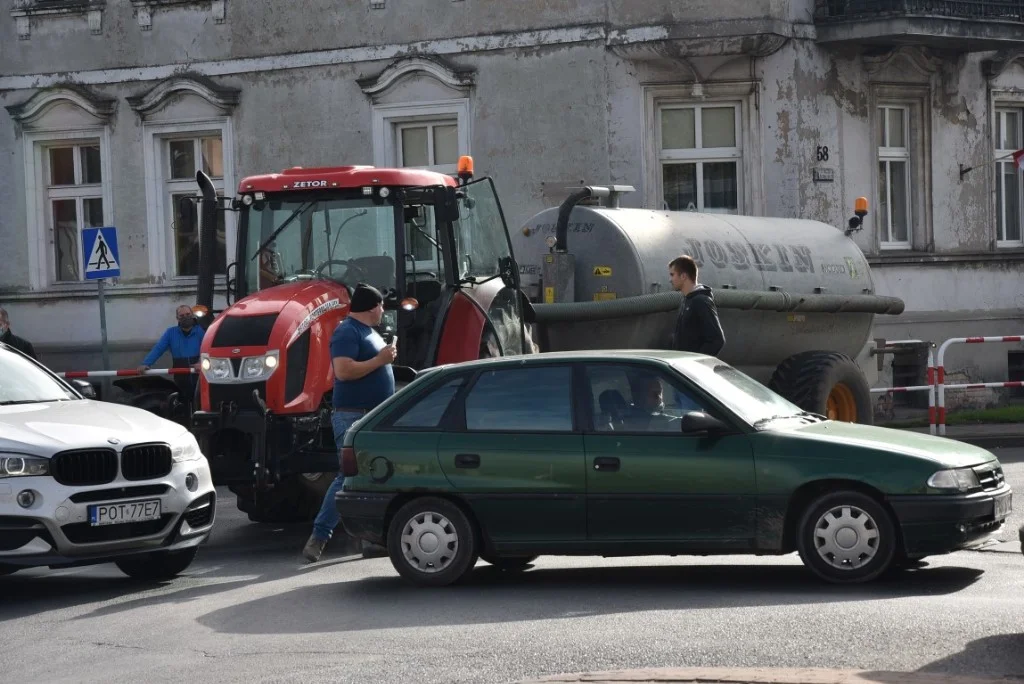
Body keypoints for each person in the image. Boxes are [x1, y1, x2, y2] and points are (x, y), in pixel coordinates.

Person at [303, 283, 397, 563]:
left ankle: (372, 539)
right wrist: (381, 359)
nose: (383, 310)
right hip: (354, 415)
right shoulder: (347, 331)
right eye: (381, 305)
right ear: (372, 307)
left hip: (373, 415)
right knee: (348, 477)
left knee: (378, 475)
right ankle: (319, 538)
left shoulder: (368, 332)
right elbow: (343, 372)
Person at [138, 305, 206, 410]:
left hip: (199, 374)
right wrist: (146, 363)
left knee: (200, 402)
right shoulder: (171, 333)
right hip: (180, 375)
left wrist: (201, 362)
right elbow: (158, 348)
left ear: (192, 315)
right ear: (177, 318)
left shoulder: (201, 331)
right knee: (182, 403)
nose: (185, 317)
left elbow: (206, 349)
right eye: (182, 315)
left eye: (188, 314)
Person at [668, 255, 725, 357]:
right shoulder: (686, 301)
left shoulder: (701, 301)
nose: (670, 279)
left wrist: (695, 363)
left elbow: (717, 340)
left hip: (690, 369)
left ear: (683, 276)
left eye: (672, 275)